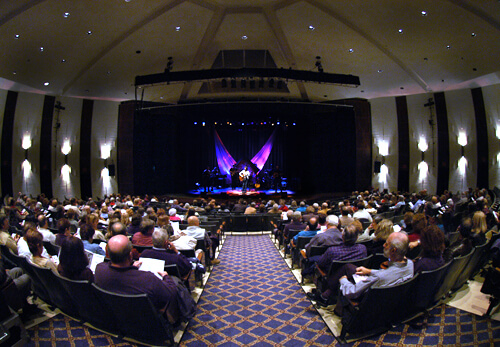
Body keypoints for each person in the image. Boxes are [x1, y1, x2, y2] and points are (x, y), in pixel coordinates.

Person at [94, 235, 180, 324]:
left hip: (113, 319)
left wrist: (131, 267)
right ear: (130, 256)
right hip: (144, 323)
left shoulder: (99, 269)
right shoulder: (148, 279)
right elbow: (170, 293)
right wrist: (166, 277)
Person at [308, 225, 368, 306]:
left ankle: (324, 296)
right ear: (357, 237)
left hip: (331, 278)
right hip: (353, 277)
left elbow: (320, 263)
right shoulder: (363, 249)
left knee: (316, 260)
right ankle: (325, 296)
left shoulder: (333, 250)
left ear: (342, 237)